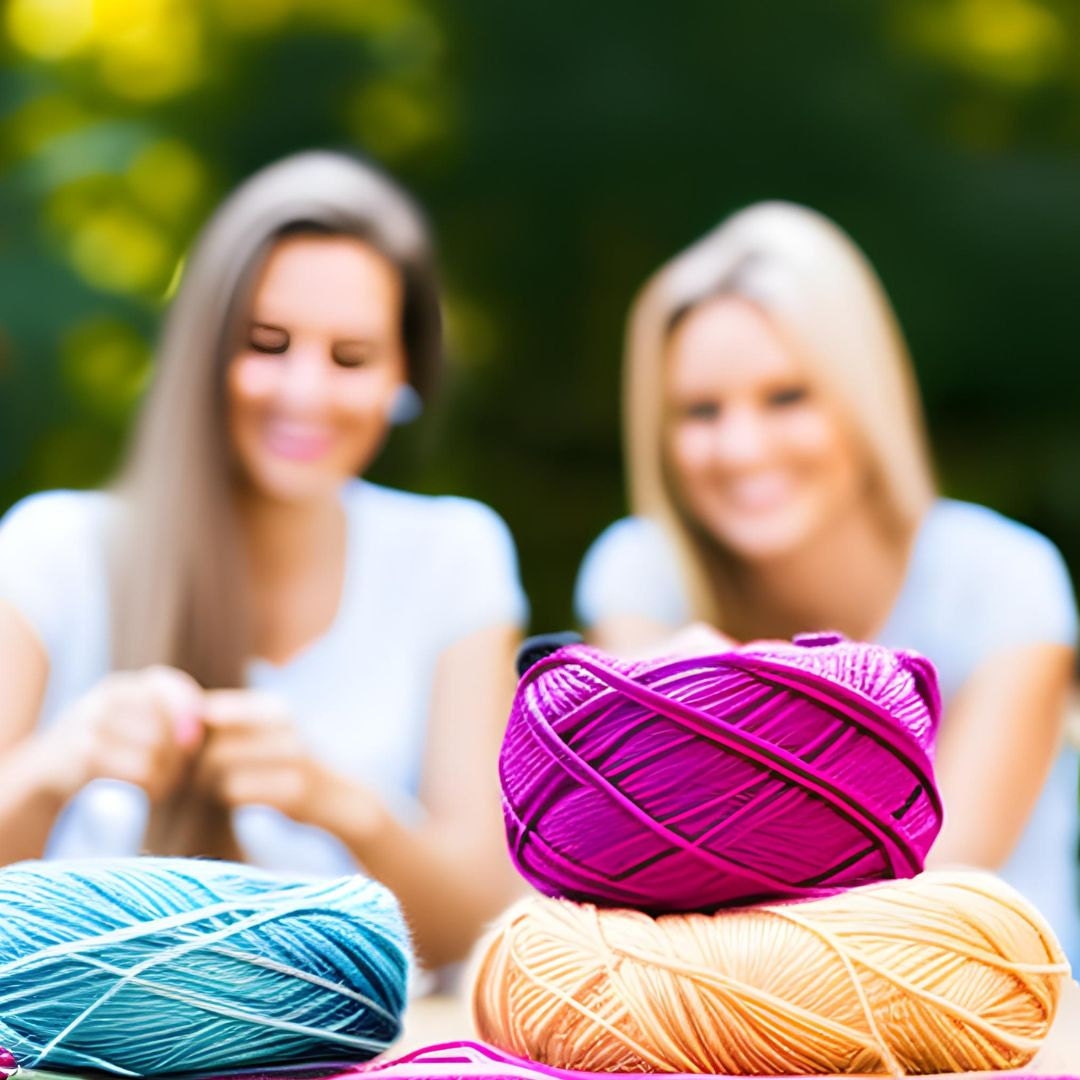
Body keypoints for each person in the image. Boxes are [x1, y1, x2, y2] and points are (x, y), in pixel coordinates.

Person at [0, 151, 528, 967]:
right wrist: (51, 770)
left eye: (350, 357)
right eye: (267, 344)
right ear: (201, 354)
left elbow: (485, 924)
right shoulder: (51, 549)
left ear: (405, 376)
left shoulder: (455, 555)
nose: (305, 392)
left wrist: (338, 802)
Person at [574, 201, 1080, 962]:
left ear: (862, 397)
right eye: (700, 412)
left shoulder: (1007, 581)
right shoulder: (639, 573)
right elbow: (627, 872)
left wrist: (709, 715)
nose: (741, 449)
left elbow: (933, 885)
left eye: (788, 398)